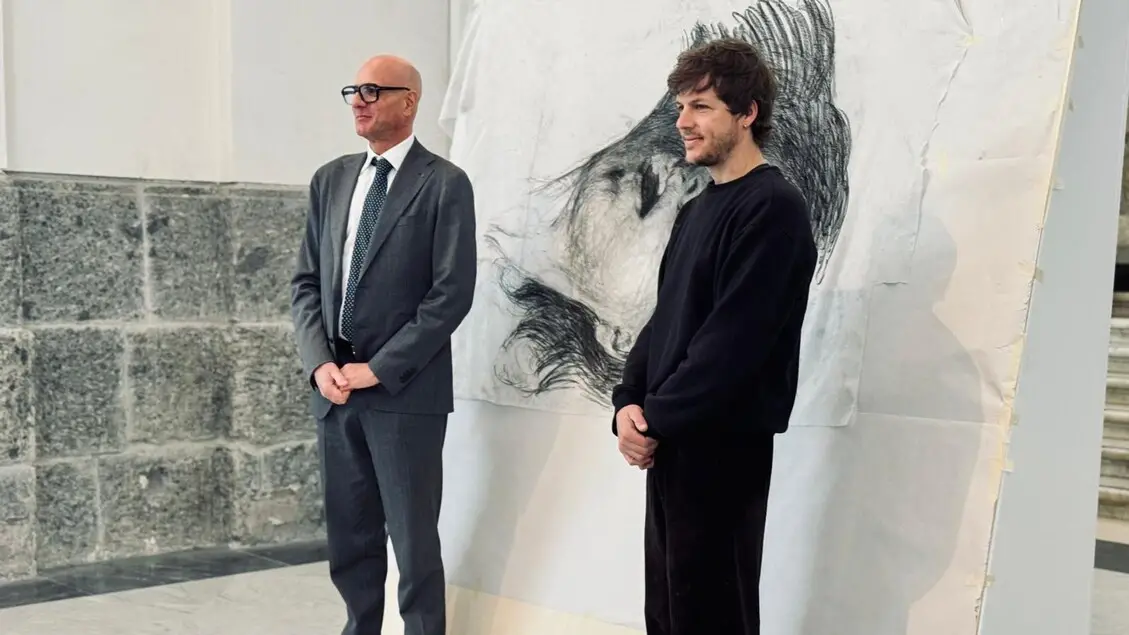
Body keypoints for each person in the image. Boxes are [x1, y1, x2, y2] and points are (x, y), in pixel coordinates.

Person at [610, 38, 817, 635]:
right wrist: (627, 402)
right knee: (668, 613)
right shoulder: (697, 209)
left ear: (747, 113)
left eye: (700, 106)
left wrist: (654, 418)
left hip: (724, 450)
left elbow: (733, 345)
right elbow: (666, 320)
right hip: (674, 444)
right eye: (681, 106)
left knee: (712, 615)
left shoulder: (773, 208)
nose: (683, 122)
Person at [290, 54, 476, 635]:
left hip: (403, 395)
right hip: (335, 393)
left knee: (414, 546)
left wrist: (379, 368)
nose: (359, 101)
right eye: (354, 90)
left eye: (373, 90)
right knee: (350, 542)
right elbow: (305, 284)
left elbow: (451, 294)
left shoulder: (444, 183)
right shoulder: (330, 180)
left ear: (409, 101)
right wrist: (319, 364)